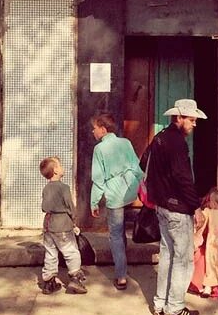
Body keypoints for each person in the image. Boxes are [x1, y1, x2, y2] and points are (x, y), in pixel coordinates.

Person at [141, 98, 207, 315]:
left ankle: (161, 303)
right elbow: (183, 178)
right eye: (191, 119)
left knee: (168, 255)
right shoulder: (178, 143)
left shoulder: (159, 138)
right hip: (178, 209)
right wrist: (196, 206)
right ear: (179, 118)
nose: (194, 123)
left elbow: (144, 165)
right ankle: (175, 308)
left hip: (161, 207)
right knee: (182, 259)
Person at [89, 112, 143, 290]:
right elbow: (137, 167)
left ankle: (121, 275)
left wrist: (94, 202)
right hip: (129, 190)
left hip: (114, 194)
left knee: (115, 234)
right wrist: (140, 186)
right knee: (120, 232)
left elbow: (98, 179)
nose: (92, 132)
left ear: (103, 130)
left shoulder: (99, 149)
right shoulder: (125, 143)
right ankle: (123, 262)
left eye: (94, 129)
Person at [39, 156, 87, 295]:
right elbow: (70, 207)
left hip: (48, 225)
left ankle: (49, 282)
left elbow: (44, 207)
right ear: (55, 171)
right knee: (71, 252)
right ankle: (75, 280)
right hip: (63, 225)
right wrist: (74, 220)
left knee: (50, 253)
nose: (62, 167)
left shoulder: (46, 188)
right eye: (60, 165)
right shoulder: (64, 188)